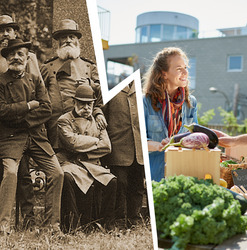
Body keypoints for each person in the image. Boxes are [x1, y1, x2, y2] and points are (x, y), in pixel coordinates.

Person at [0, 38, 64, 234]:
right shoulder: (0, 82)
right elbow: (2, 111)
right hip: (11, 137)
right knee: (10, 172)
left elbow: (47, 109)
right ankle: (3, 226)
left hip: (36, 136)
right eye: (12, 54)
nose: (16, 57)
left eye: (20, 54)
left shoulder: (35, 80)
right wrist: (28, 105)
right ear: (7, 58)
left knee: (57, 173)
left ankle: (51, 225)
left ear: (27, 58)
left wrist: (21, 118)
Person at [0, 14, 44, 229]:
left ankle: (28, 220)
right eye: (0, 30)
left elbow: (37, 91)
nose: (4, 34)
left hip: (17, 126)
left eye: (8, 29)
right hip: (3, 118)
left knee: (23, 173)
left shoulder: (29, 58)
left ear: (15, 32)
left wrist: (26, 118)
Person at [57, 84, 117, 232]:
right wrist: (96, 141)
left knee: (112, 181)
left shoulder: (98, 121)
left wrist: (82, 144)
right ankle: (73, 226)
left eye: (89, 104)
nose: (86, 107)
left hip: (93, 164)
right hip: (71, 163)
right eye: (82, 103)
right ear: (74, 103)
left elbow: (107, 147)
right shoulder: (64, 120)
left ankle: (106, 225)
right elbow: (72, 143)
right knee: (67, 178)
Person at [40, 19, 107, 151]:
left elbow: (102, 95)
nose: (68, 40)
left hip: (83, 128)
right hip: (55, 127)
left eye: (72, 36)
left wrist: (91, 84)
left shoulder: (89, 66)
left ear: (77, 41)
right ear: (58, 41)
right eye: (63, 37)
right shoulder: (48, 67)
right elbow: (39, 94)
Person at [143, 47, 198, 182]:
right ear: (164, 74)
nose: (185, 72)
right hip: (154, 176)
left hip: (182, 173)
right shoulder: (145, 102)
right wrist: (158, 145)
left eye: (186, 67)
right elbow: (136, 142)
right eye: (179, 68)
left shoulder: (191, 103)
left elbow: (196, 136)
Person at [101, 81, 145, 227]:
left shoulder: (142, 88)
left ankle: (135, 221)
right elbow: (99, 109)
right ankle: (118, 221)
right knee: (120, 185)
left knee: (137, 185)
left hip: (138, 148)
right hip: (118, 146)